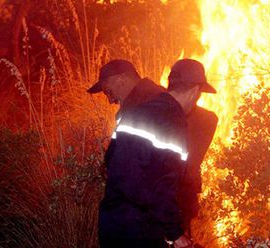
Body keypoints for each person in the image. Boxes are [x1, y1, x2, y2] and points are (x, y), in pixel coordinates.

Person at [87, 59, 201, 248]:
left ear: (121, 79)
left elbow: (119, 165)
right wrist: (174, 230)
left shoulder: (146, 107)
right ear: (195, 91)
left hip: (125, 223)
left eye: (108, 91)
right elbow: (160, 180)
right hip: (139, 226)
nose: (110, 99)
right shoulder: (164, 110)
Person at [167, 59, 218, 244]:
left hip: (175, 203)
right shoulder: (208, 120)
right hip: (173, 205)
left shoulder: (206, 120)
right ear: (197, 91)